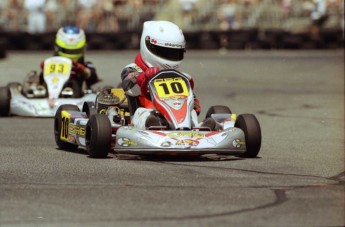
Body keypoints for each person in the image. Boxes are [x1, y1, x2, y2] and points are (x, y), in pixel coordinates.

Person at [121, 20, 215, 130]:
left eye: (174, 53)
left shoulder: (178, 76)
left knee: (191, 113)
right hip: (146, 115)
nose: (170, 57)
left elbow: (188, 97)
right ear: (148, 45)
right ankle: (153, 126)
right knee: (145, 114)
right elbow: (128, 86)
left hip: (175, 114)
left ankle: (198, 128)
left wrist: (194, 103)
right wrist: (145, 77)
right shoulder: (133, 69)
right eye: (164, 52)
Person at [23, 25, 100, 97]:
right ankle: (41, 92)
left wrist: (83, 71)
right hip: (48, 94)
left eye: (74, 51)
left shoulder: (85, 65)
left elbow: (93, 77)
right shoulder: (51, 64)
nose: (70, 55)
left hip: (76, 97)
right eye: (67, 51)